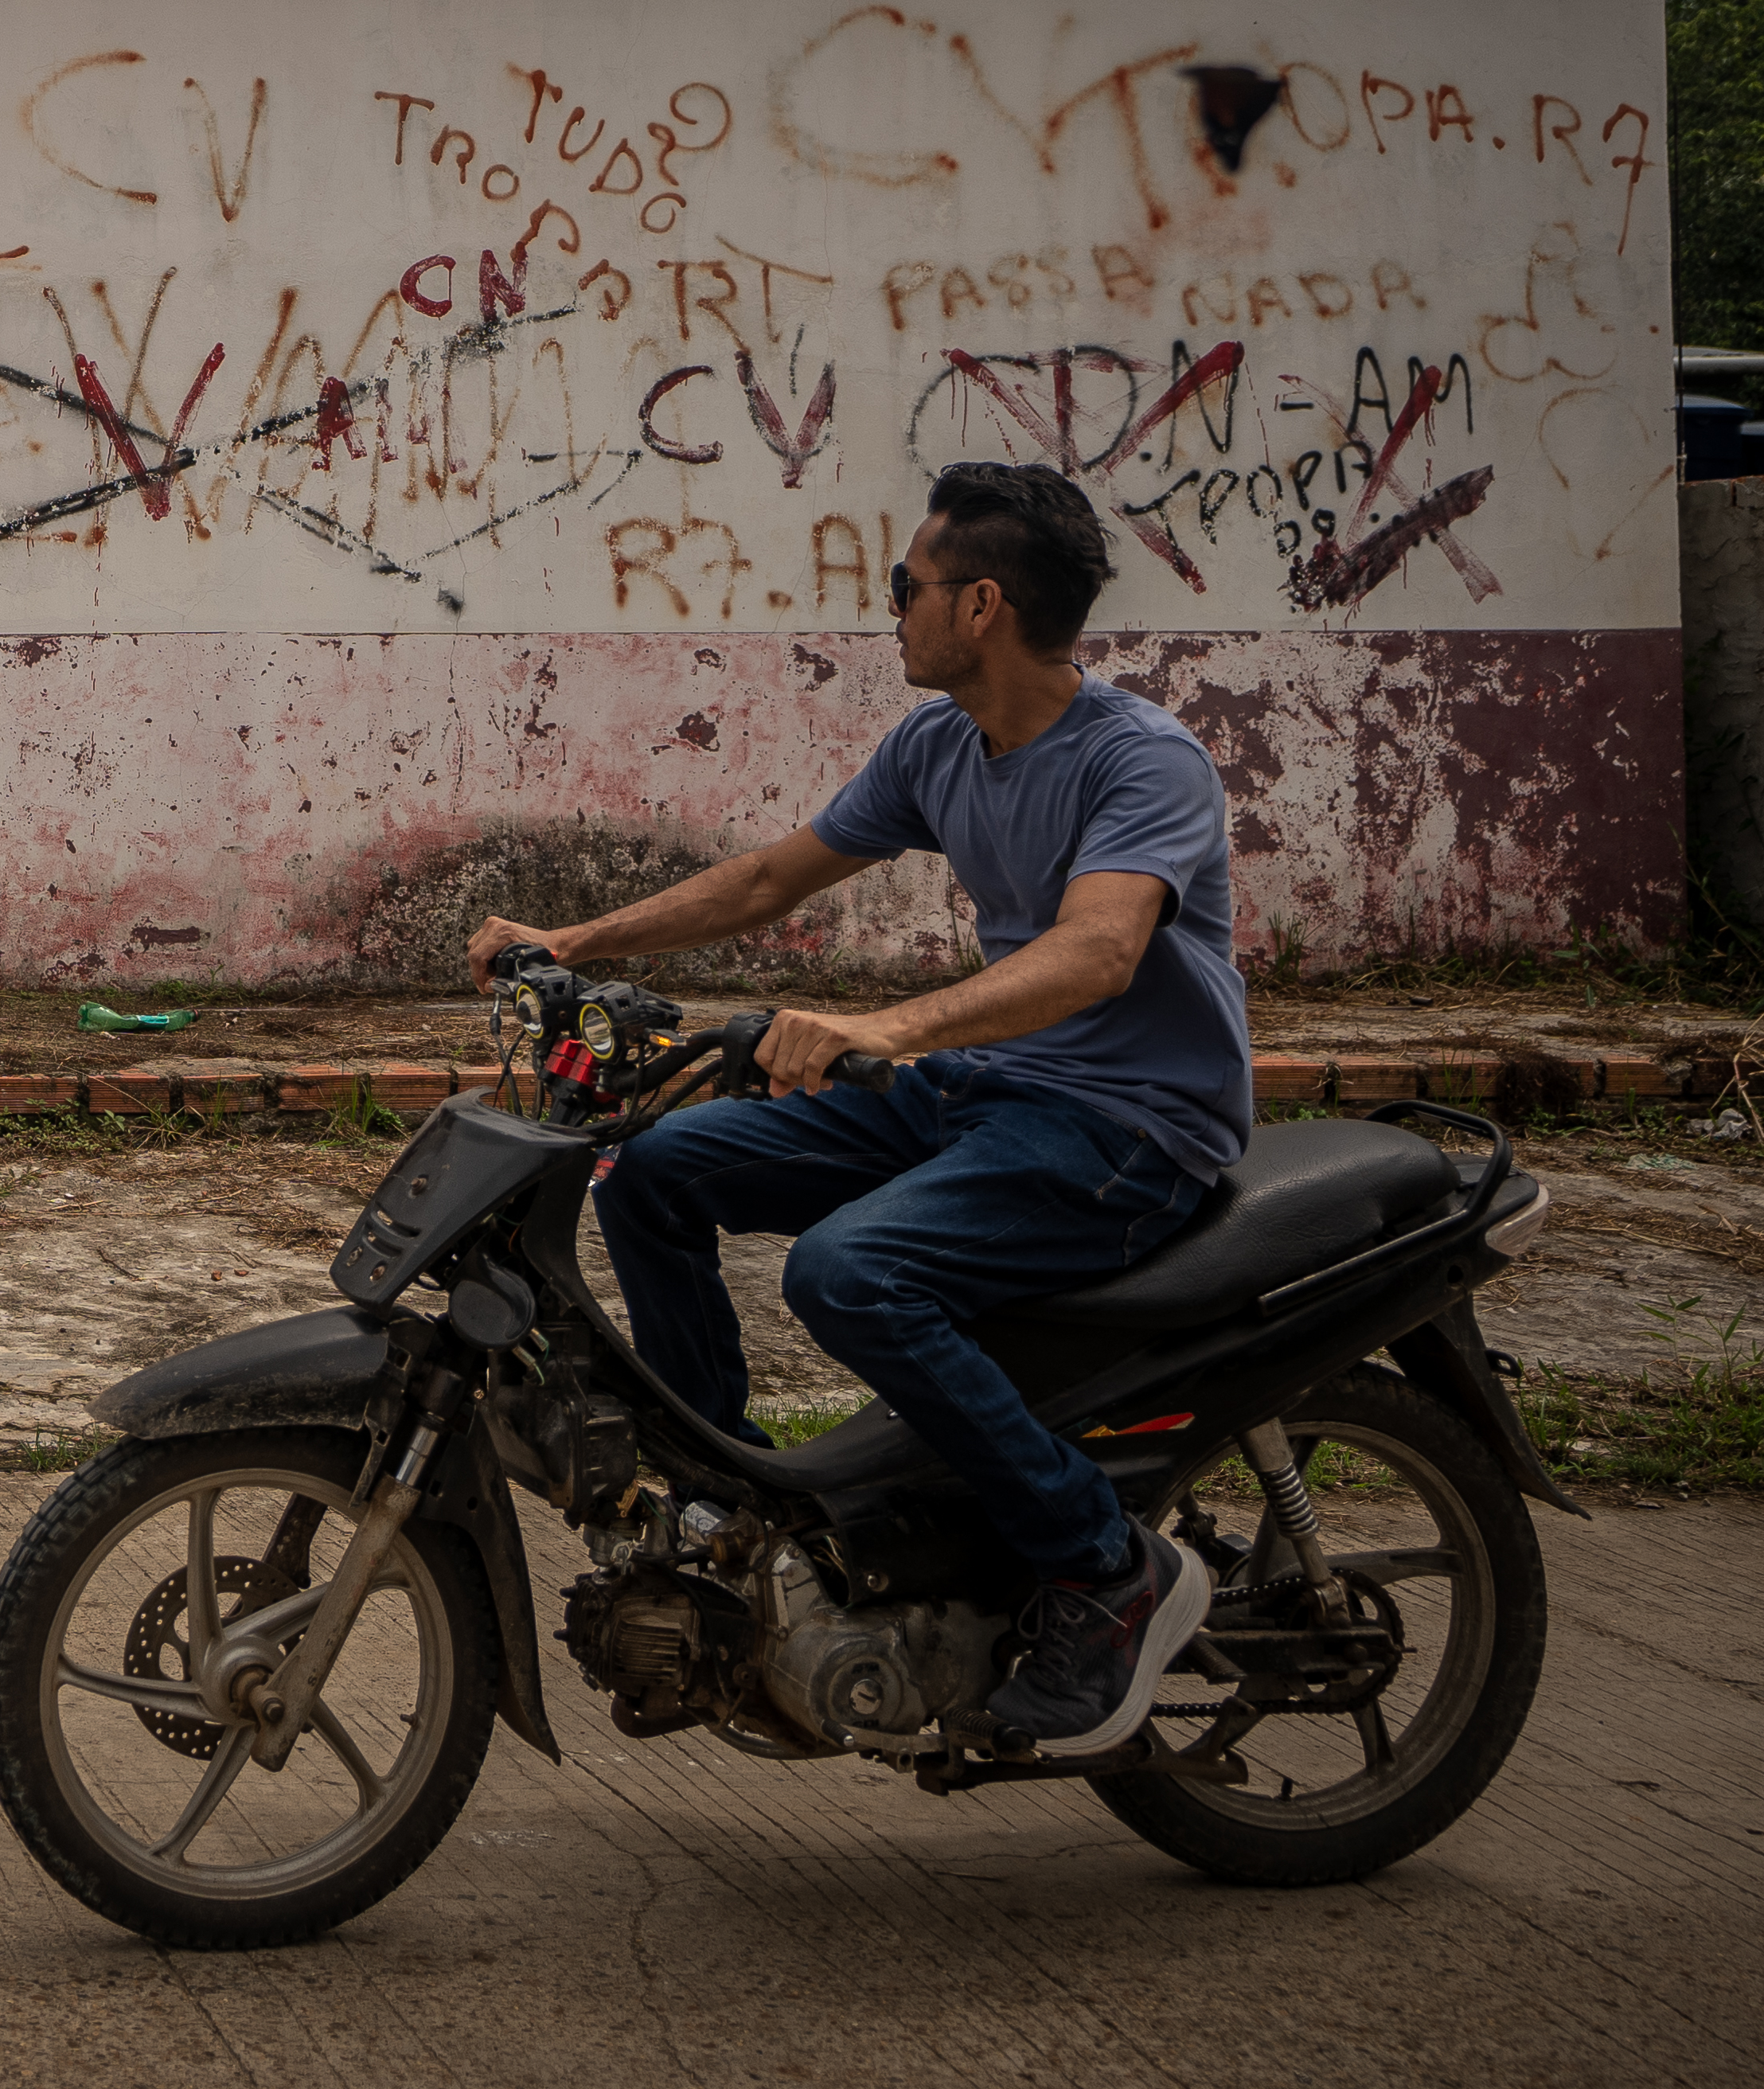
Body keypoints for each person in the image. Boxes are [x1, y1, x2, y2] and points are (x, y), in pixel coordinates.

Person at [465, 459, 1251, 1755]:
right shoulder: (943, 743)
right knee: (658, 1172)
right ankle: (732, 1501)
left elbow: (1099, 951)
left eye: (909, 587)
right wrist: (577, 940)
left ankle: (1105, 1568)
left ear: (981, 604)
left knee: (851, 1274)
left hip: (1126, 1125)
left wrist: (885, 1026)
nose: (894, 612)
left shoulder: (1143, 763)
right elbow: (772, 878)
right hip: (990, 1091)